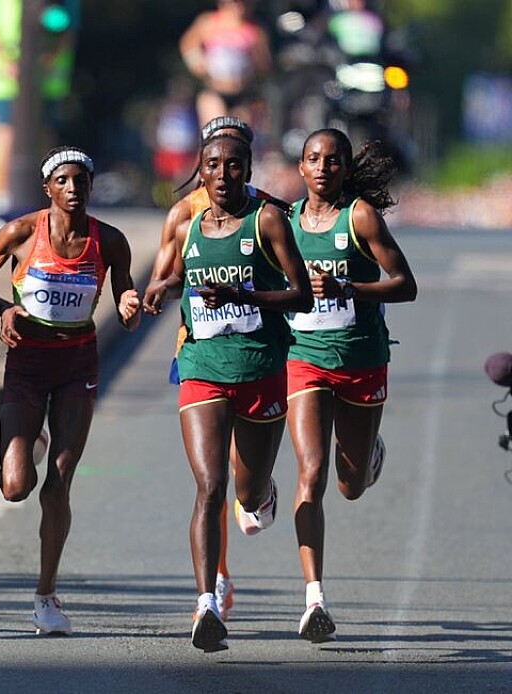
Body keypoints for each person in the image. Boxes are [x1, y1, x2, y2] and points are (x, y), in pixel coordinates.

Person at [146, 132, 312, 651]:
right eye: (214, 165)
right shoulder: (187, 224)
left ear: (248, 170)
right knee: (210, 486)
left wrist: (244, 295)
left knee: (247, 494)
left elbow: (302, 295)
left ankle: (262, 491)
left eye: (234, 165)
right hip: (202, 366)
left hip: (260, 369)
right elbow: (177, 277)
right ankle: (207, 605)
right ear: (201, 171)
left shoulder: (268, 221)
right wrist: (157, 290)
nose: (223, 174)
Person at [0, 145, 141, 634]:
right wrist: (3, 308)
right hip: (27, 365)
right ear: (47, 188)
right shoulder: (21, 233)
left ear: (91, 186)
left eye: (80, 180)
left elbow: (127, 299)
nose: (72, 188)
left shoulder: (110, 241)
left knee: (60, 481)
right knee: (15, 486)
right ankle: (32, 440)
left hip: (77, 364)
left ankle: (46, 595)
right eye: (62, 180)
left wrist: (130, 306)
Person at [284, 128, 416, 642]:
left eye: (333, 160)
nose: (323, 168)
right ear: (301, 167)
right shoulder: (285, 223)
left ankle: (368, 452)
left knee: (350, 484)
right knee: (311, 472)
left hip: (361, 357)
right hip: (304, 359)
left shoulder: (360, 216)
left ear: (344, 168)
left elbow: (405, 284)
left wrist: (349, 288)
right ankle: (314, 597)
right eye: (314, 159)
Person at [0, 0, 81, 216]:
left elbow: (67, 29)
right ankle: (2, 206)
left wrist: (47, 59)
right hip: (6, 84)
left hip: (46, 85)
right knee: (6, 137)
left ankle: (46, 201)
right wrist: (10, 65)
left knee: (45, 138)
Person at [179, 0, 273, 130]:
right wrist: (197, 64)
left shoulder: (255, 29)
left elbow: (265, 65)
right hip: (215, 91)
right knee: (217, 132)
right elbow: (188, 44)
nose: (238, 7)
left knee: (239, 135)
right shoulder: (209, 22)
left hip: (243, 94)